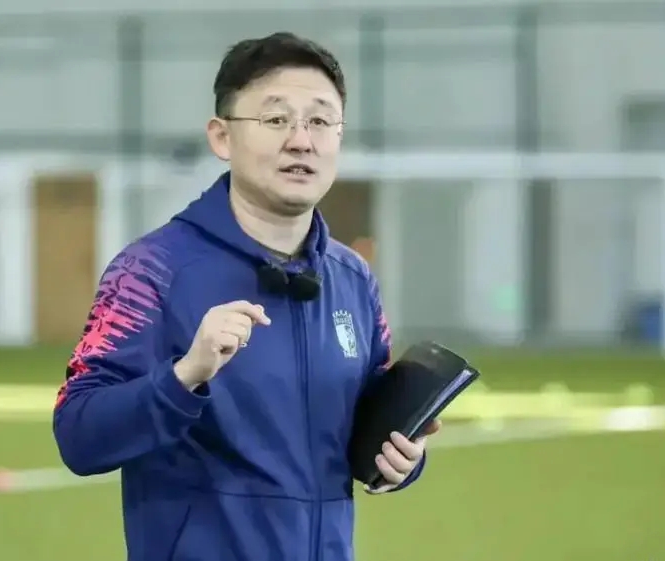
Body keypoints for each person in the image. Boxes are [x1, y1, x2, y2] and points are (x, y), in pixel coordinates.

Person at [52, 31, 442, 561]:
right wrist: (185, 376)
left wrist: (402, 457)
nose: (301, 140)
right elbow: (79, 434)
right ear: (222, 137)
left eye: (321, 121)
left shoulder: (352, 278)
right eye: (276, 119)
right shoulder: (150, 271)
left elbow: (362, 436)